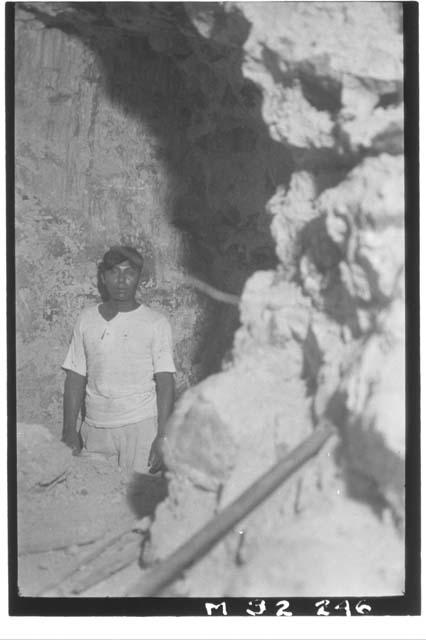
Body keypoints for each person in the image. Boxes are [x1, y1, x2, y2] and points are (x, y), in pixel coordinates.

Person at [61, 245, 176, 475]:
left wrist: (162, 435)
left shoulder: (155, 323)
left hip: (140, 428)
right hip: (95, 428)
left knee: (135, 503)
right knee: (96, 501)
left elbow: (166, 383)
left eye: (129, 272)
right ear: (103, 277)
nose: (121, 280)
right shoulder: (86, 319)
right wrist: (69, 430)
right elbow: (75, 377)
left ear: (138, 279)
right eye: (114, 272)